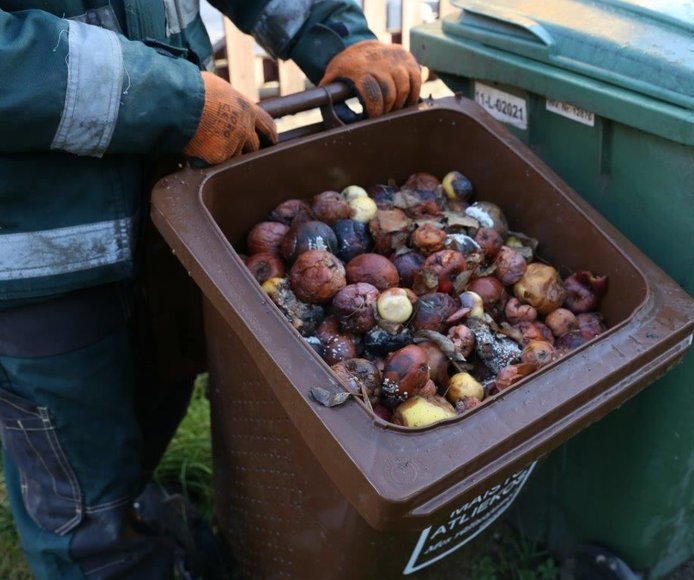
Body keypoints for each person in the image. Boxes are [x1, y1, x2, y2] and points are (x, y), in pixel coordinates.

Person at [0, 1, 421, 577]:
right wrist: (163, 98)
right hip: (36, 258)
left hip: (169, 218)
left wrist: (329, 28)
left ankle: (135, 511)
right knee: (77, 480)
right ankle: (102, 548)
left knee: (155, 397)